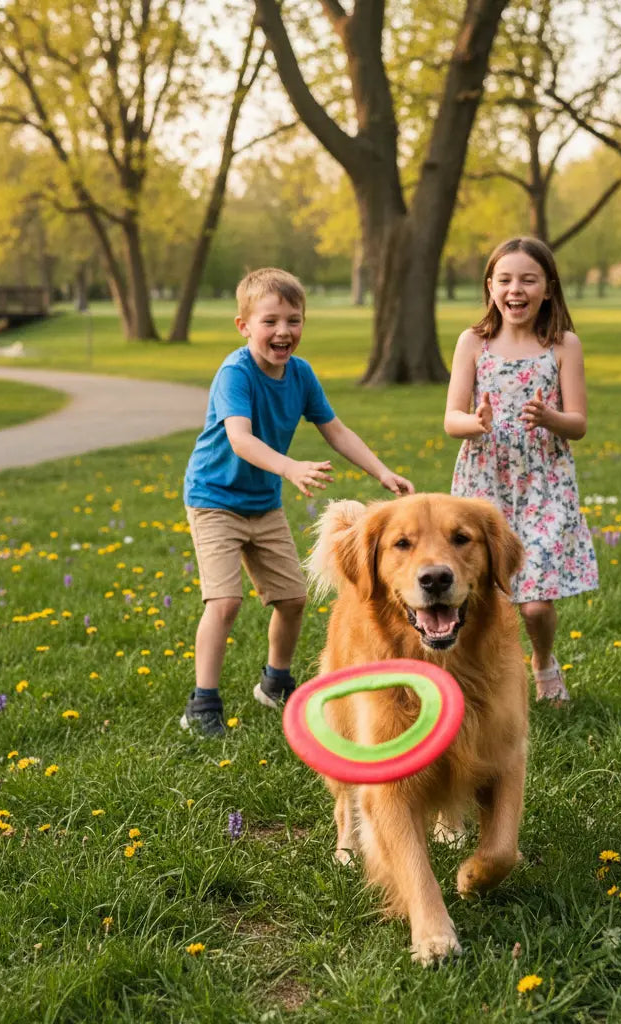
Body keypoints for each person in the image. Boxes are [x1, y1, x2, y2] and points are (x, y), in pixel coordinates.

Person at [181, 267, 414, 736]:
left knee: (292, 598)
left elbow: (336, 430)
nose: (283, 331)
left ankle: (275, 682)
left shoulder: (301, 374)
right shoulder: (236, 374)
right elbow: (240, 439)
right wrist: (289, 468)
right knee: (225, 602)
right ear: (244, 325)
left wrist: (382, 471)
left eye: (293, 320)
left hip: (263, 504)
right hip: (214, 501)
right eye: (269, 321)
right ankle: (202, 704)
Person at [443, 237, 598, 705]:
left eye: (528, 280)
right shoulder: (473, 342)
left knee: (534, 603)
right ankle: (482, 672)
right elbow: (451, 419)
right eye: (505, 280)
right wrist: (476, 422)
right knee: (480, 591)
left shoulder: (563, 345)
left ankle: (543, 661)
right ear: (490, 287)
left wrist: (550, 418)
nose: (516, 289)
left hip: (544, 484)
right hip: (484, 480)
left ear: (548, 288)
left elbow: (579, 424)